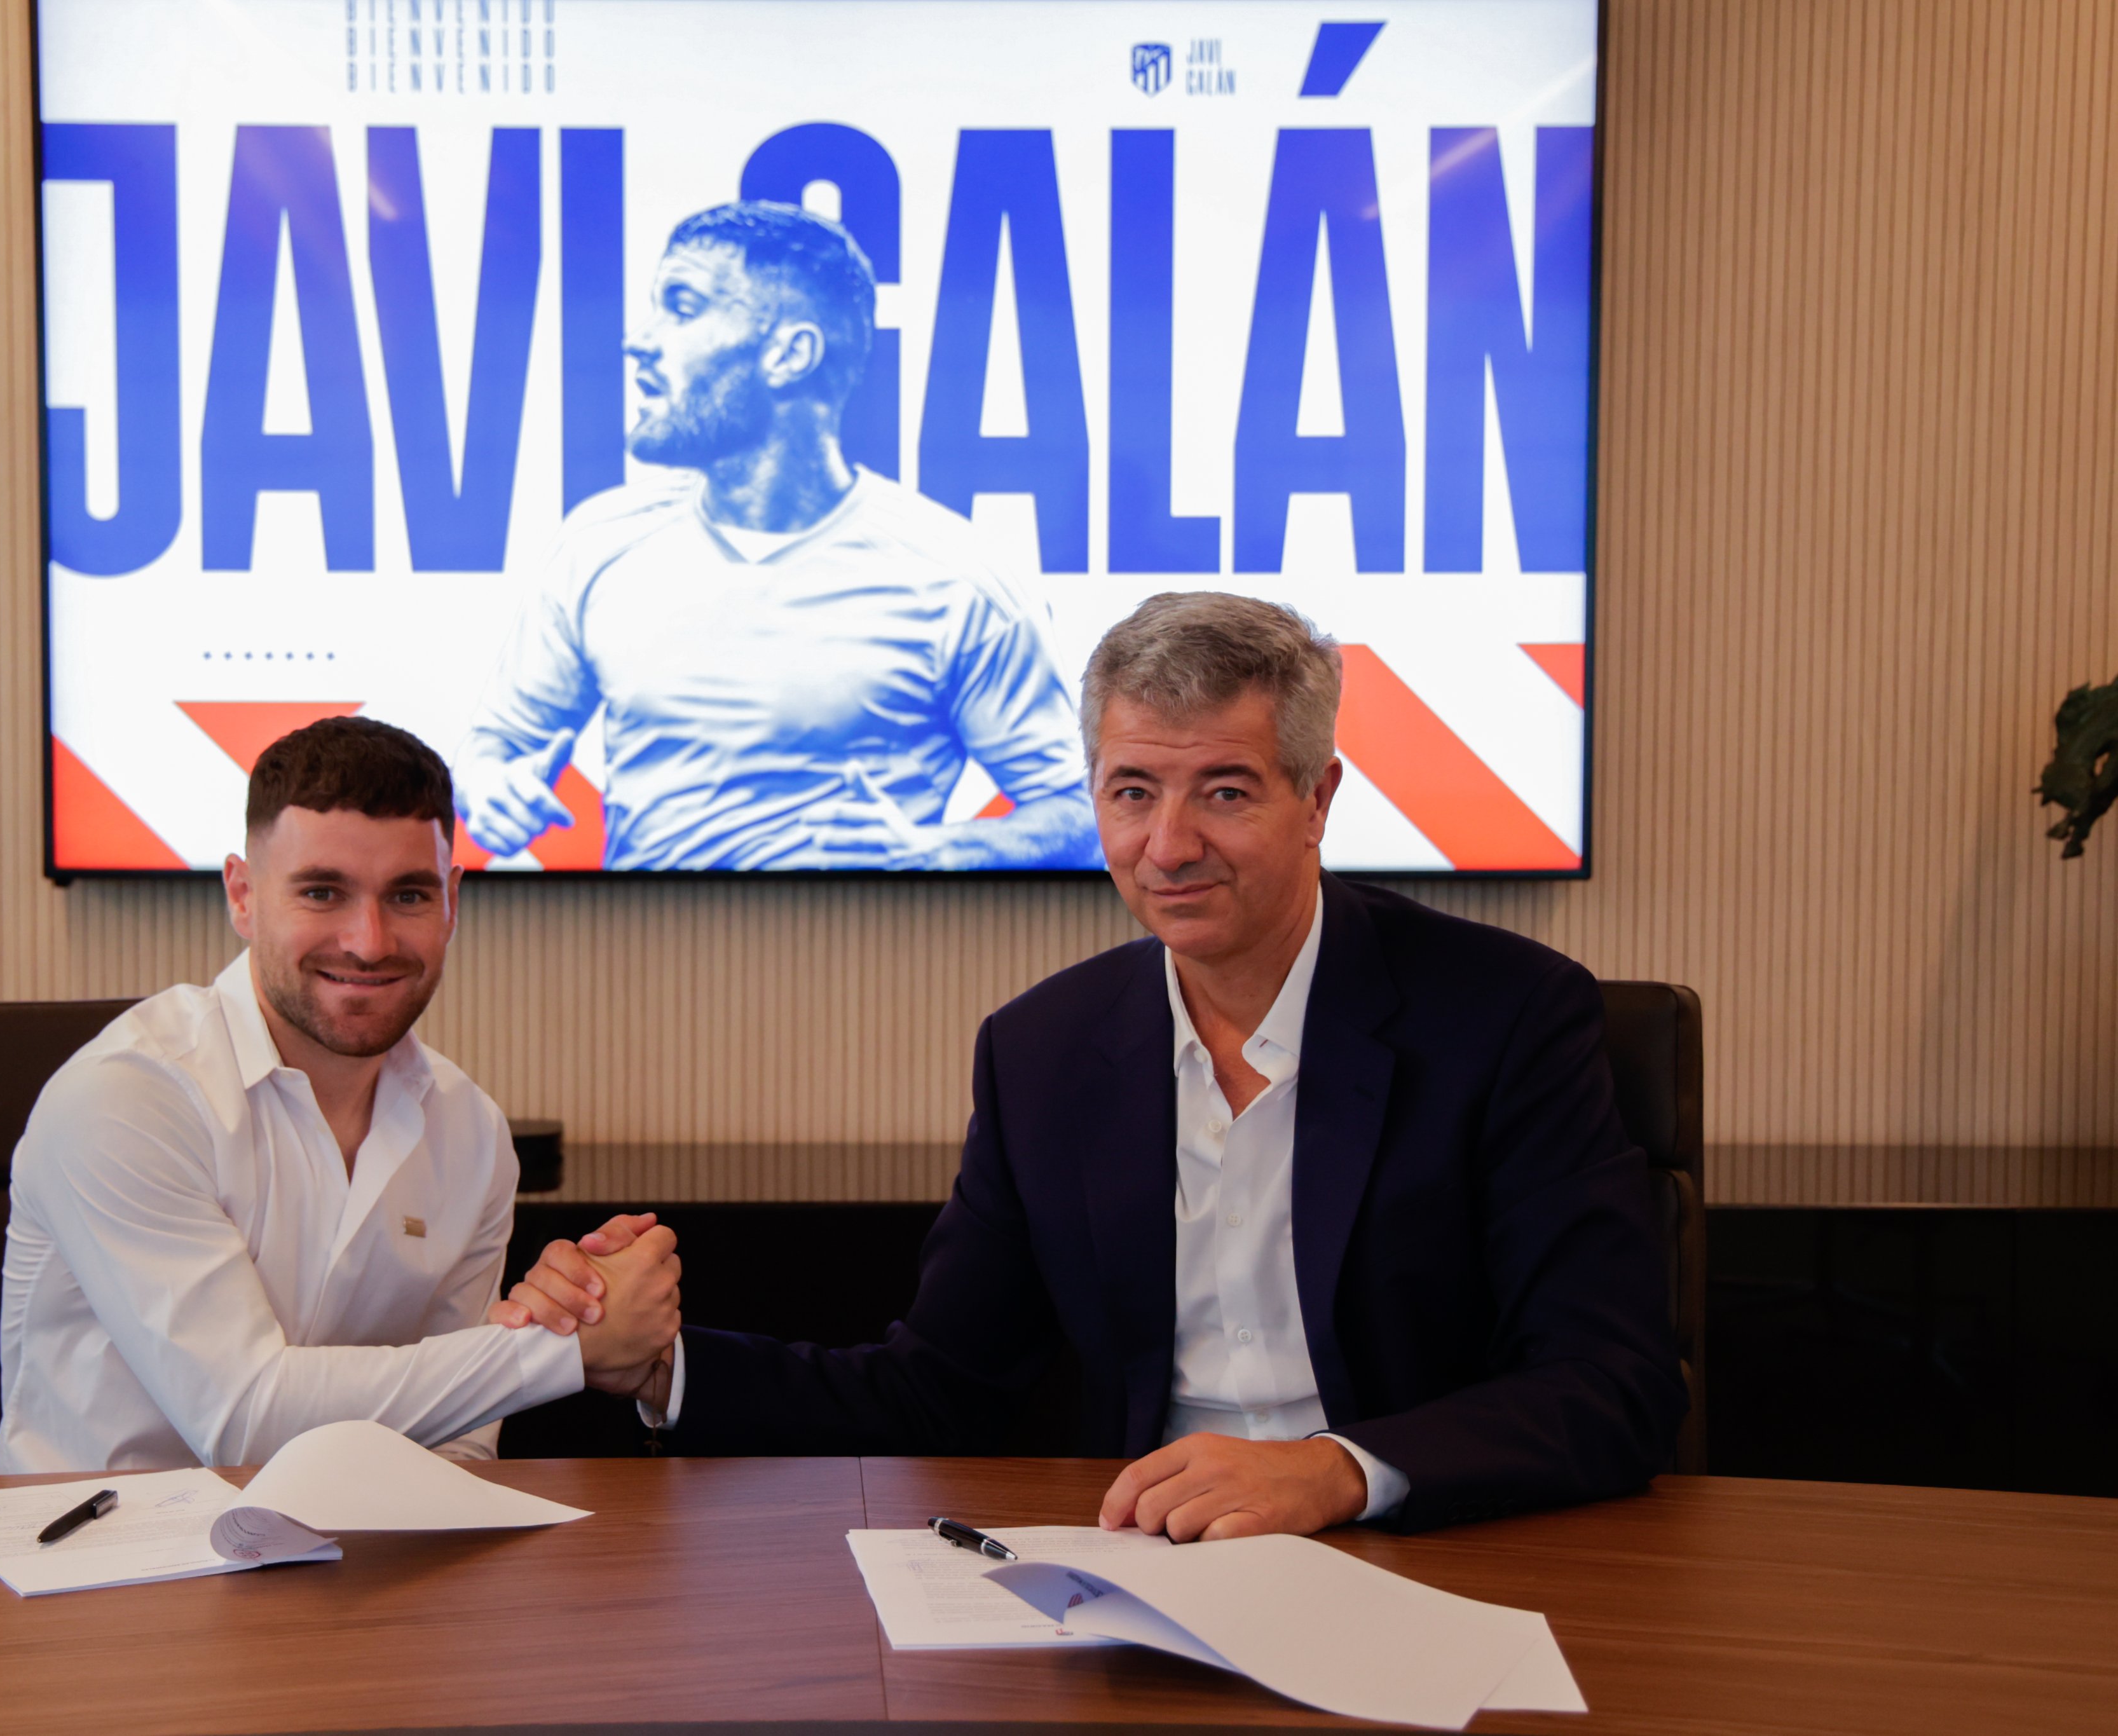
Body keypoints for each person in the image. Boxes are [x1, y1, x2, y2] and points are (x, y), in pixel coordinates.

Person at [503, 593, 1686, 1536]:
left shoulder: (1508, 1017)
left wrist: (1334, 1474)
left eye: (1224, 791)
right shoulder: (1044, 1052)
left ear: (1317, 798)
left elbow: (1609, 1382)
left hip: (1426, 1547)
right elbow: (938, 1391)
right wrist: (662, 1365)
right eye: (1132, 793)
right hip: (1143, 1560)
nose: (1168, 846)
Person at [0, 717, 680, 1473]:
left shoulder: (469, 1131)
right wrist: (566, 1350)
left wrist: (570, 1310)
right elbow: (244, 1418)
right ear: (244, 896)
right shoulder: (129, 1095)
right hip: (99, 1567)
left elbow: (458, 1441)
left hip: (354, 1566)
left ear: (452, 902)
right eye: (323, 892)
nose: (369, 940)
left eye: (409, 895)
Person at [453, 200, 1097, 871]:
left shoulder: (956, 576)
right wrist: (493, 786)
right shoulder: (597, 545)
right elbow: (493, 747)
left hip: (866, 969)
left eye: (682, 306)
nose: (639, 340)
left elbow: (1080, 813)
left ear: (790, 353)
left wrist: (934, 854)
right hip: (637, 968)